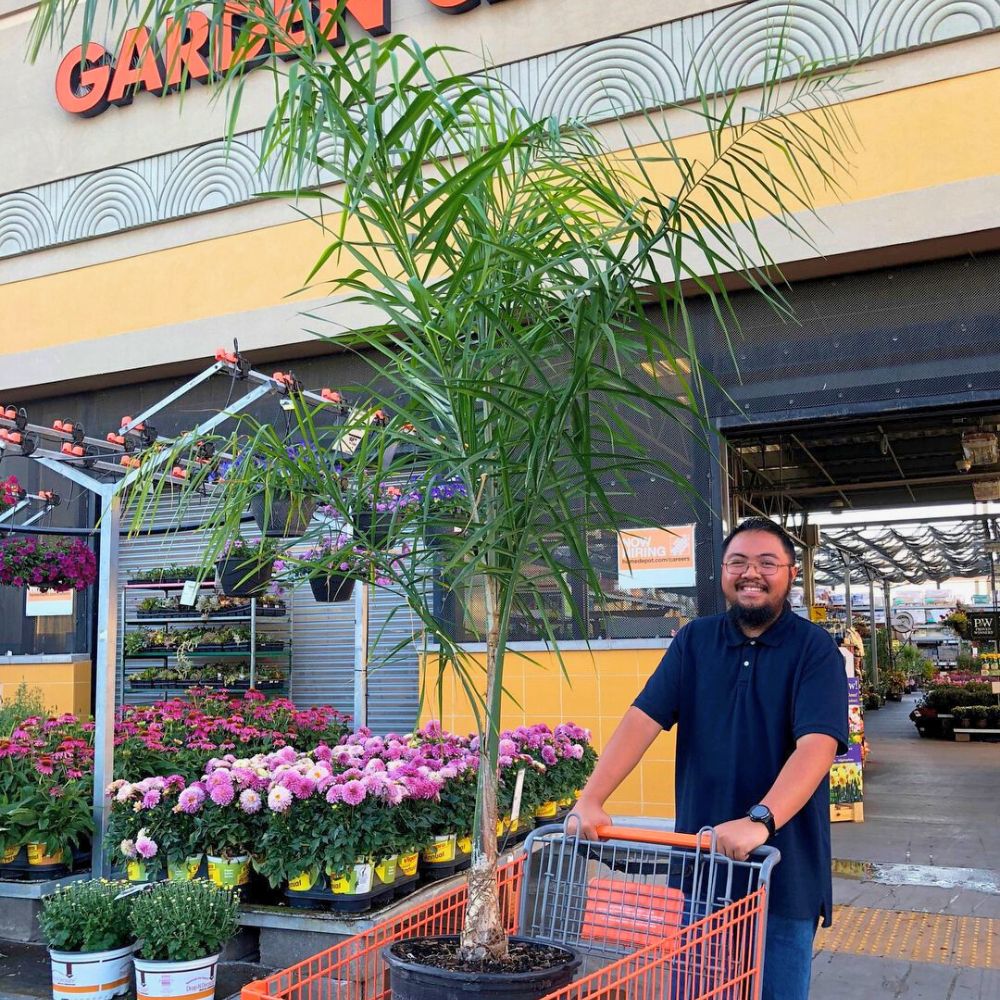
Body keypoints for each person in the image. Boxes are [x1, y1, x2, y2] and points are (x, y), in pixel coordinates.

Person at [572, 517, 848, 1000]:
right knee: (699, 991)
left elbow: (817, 746)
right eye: (738, 562)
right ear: (721, 572)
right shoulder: (694, 641)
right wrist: (590, 799)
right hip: (706, 869)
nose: (751, 573)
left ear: (791, 574)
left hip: (785, 870)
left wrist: (760, 820)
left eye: (768, 563)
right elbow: (642, 719)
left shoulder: (815, 649)